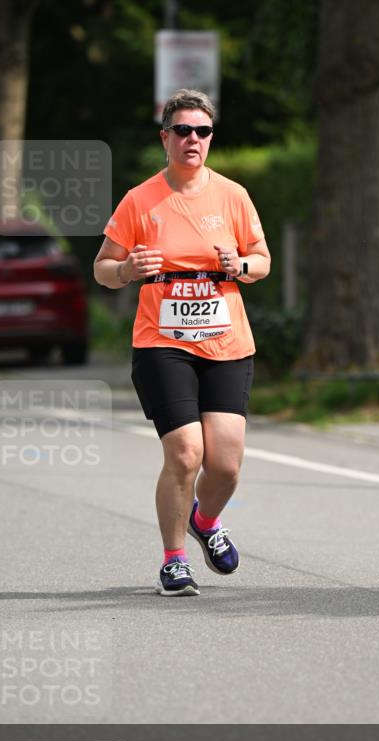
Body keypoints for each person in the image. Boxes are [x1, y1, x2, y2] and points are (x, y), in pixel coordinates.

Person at [93, 89, 271, 596]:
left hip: (227, 343)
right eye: (183, 131)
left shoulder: (233, 195)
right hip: (162, 343)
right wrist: (126, 269)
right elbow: (103, 268)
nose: (194, 139)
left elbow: (261, 260)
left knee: (226, 464)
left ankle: (206, 522)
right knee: (187, 453)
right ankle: (173, 561)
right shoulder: (140, 199)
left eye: (203, 131)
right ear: (165, 138)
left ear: (211, 138)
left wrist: (240, 266)